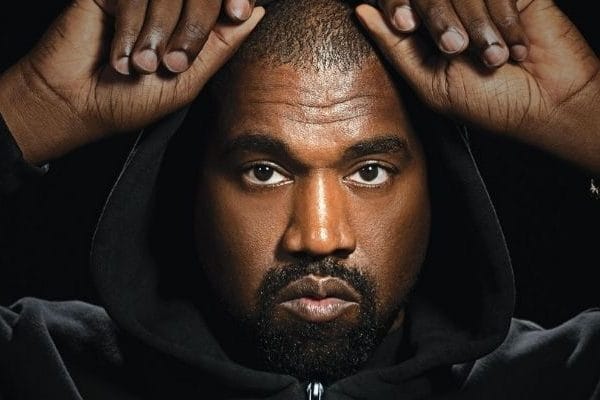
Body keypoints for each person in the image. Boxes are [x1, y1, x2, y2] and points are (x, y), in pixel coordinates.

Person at [0, 0, 598, 398]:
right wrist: (34, 104)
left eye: (369, 172)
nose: (318, 237)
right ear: (189, 184)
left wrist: (587, 111)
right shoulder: (42, 367)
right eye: (264, 172)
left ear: (438, 187)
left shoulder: (561, 380)